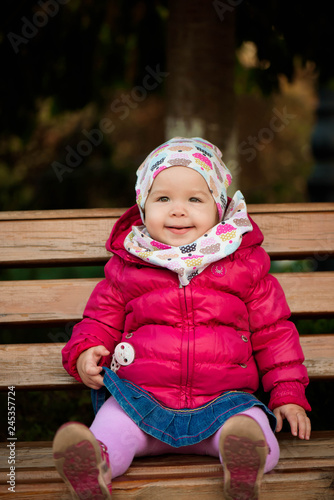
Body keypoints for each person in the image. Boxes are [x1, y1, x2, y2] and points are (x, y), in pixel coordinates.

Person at [53, 137, 311, 500]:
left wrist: (287, 392)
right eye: (162, 199)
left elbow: (274, 332)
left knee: (252, 429)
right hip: (141, 401)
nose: (177, 210)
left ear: (218, 208)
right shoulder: (129, 265)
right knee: (112, 425)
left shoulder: (244, 265)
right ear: (143, 208)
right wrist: (86, 350)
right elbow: (99, 319)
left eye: (194, 199)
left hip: (224, 402)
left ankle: (242, 466)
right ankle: (94, 466)